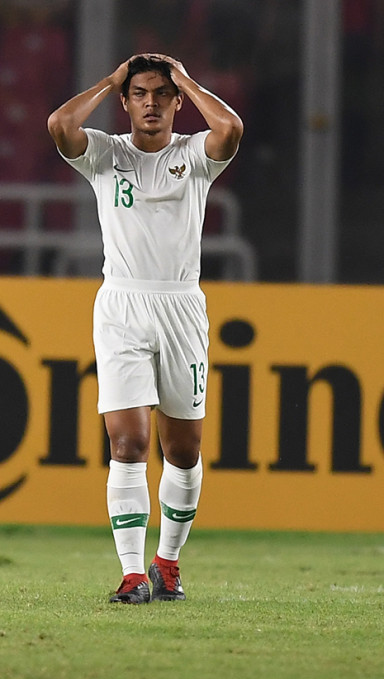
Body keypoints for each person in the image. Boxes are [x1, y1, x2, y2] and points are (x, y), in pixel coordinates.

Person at [47, 54, 243, 604]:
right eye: (139, 94)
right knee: (127, 442)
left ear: (178, 100)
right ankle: (133, 575)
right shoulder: (106, 154)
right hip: (123, 309)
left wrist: (185, 79)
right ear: (125, 101)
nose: (151, 103)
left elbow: (228, 129)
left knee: (182, 451)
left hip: (182, 308)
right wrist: (110, 80)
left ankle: (167, 564)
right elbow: (60, 126)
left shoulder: (194, 156)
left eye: (162, 94)